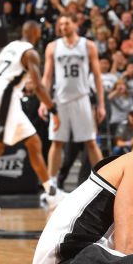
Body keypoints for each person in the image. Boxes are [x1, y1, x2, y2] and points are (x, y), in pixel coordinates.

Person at [0, 20, 58, 212]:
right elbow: (38, 86)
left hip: (7, 94)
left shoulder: (9, 47)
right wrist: (53, 109)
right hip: (6, 95)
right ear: (36, 32)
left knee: (33, 142)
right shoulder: (30, 53)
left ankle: (51, 192)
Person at [41, 15, 106, 194]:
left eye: (66, 23)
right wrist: (43, 101)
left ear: (75, 25)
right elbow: (47, 77)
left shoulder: (88, 45)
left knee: (91, 142)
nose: (63, 26)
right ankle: (51, 186)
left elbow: (98, 76)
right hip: (59, 101)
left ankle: (105, 180)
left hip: (82, 98)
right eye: (60, 24)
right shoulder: (53, 47)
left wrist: (101, 105)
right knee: (56, 142)